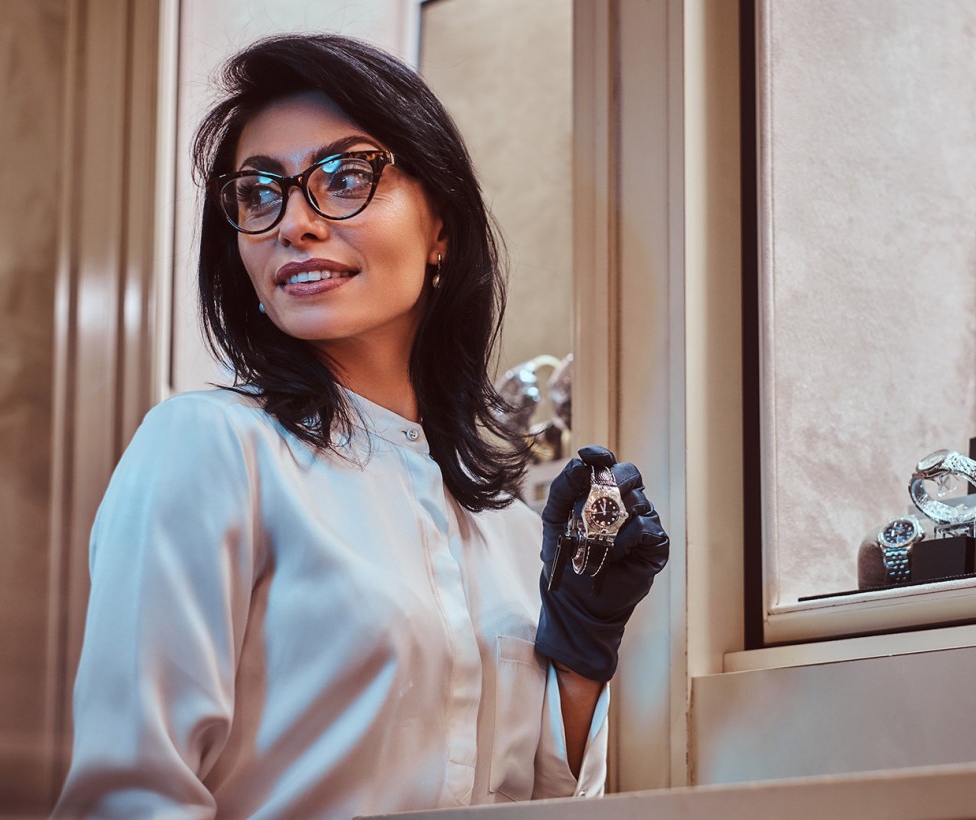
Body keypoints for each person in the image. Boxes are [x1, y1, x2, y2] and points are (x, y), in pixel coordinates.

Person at [53, 33, 668, 818]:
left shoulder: (506, 530)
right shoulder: (207, 447)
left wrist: (581, 661)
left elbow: (531, 798)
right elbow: (132, 796)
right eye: (259, 193)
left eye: (344, 177)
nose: (294, 224)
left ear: (440, 224)